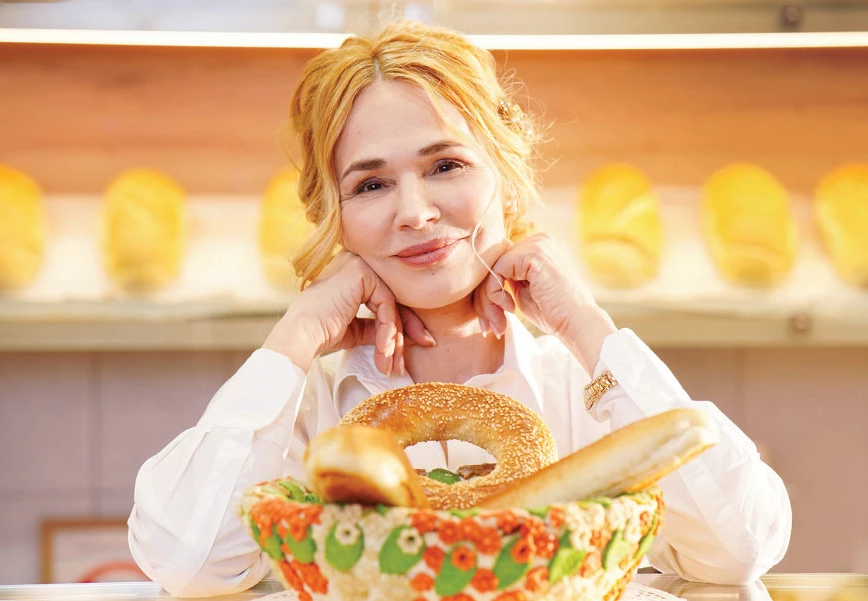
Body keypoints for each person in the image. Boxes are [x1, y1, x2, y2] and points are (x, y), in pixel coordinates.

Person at [128, 20, 791, 598]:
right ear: (336, 216)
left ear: (507, 173)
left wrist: (588, 327)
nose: (415, 212)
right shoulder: (303, 411)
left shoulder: (585, 392)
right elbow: (191, 567)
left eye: (445, 165)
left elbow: (739, 550)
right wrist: (294, 336)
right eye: (371, 184)